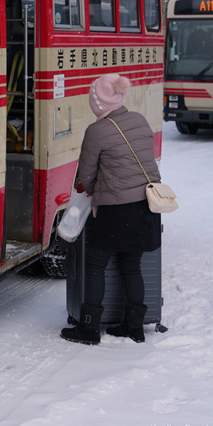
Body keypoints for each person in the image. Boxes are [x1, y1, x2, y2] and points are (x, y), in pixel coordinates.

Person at [60, 73, 161, 345]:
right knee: (132, 266)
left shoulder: (97, 131)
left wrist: (92, 190)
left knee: (95, 265)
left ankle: (89, 328)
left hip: (115, 209)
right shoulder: (139, 120)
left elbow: (87, 177)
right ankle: (135, 326)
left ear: (98, 102)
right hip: (145, 207)